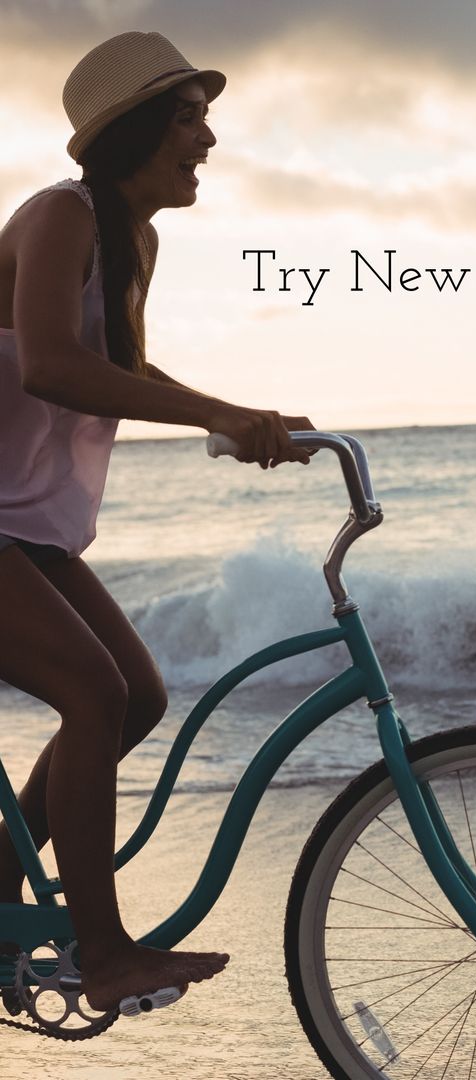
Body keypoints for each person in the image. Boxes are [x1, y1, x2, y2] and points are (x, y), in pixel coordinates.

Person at [0, 31, 314, 1013]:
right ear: (134, 127)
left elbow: (123, 373)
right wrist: (218, 415)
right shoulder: (60, 216)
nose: (208, 140)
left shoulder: (133, 236)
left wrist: (242, 413)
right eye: (189, 117)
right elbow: (51, 362)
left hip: (25, 527)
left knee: (135, 694)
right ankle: (105, 953)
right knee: (93, 692)